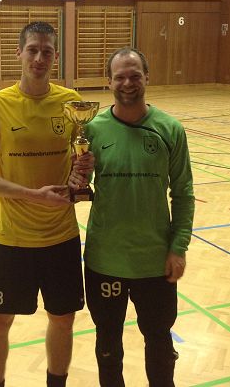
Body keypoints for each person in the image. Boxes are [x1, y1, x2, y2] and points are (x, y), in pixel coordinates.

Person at [0, 22, 86, 387]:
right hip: (12, 239)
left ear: (55, 57)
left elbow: (81, 161)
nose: (39, 58)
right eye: (32, 50)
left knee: (63, 320)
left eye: (46, 51)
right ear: (18, 53)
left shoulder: (71, 102)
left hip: (62, 237)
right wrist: (33, 195)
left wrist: (83, 172)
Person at [70, 47, 195, 387]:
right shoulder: (92, 130)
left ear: (147, 78)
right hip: (105, 259)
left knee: (159, 341)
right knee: (108, 345)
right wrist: (76, 178)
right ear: (109, 82)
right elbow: (77, 188)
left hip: (154, 261)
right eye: (120, 77)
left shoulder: (170, 129)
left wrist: (178, 248)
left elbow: (183, 194)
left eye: (135, 75)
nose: (128, 83)